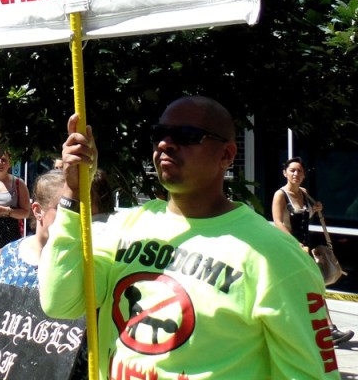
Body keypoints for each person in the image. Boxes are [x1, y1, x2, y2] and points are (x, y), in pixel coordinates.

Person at [40, 96, 342, 378]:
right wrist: (73, 193)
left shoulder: (274, 255)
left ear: (227, 155)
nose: (165, 144)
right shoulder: (123, 226)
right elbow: (59, 302)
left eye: (186, 135)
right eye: (159, 133)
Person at [272, 157, 353, 346]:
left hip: (305, 248)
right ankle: (324, 329)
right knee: (305, 287)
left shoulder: (304, 193)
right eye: (292, 170)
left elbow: (305, 216)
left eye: (299, 171)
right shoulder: (280, 195)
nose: (296, 174)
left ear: (304, 174)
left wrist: (316, 209)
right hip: (289, 249)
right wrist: (295, 245)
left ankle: (325, 329)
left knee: (311, 286)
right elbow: (277, 222)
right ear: (285, 173)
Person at [0, 169, 65, 286]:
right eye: (63, 208)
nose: (73, 217)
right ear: (37, 211)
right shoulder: (2, 258)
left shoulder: (85, 264)